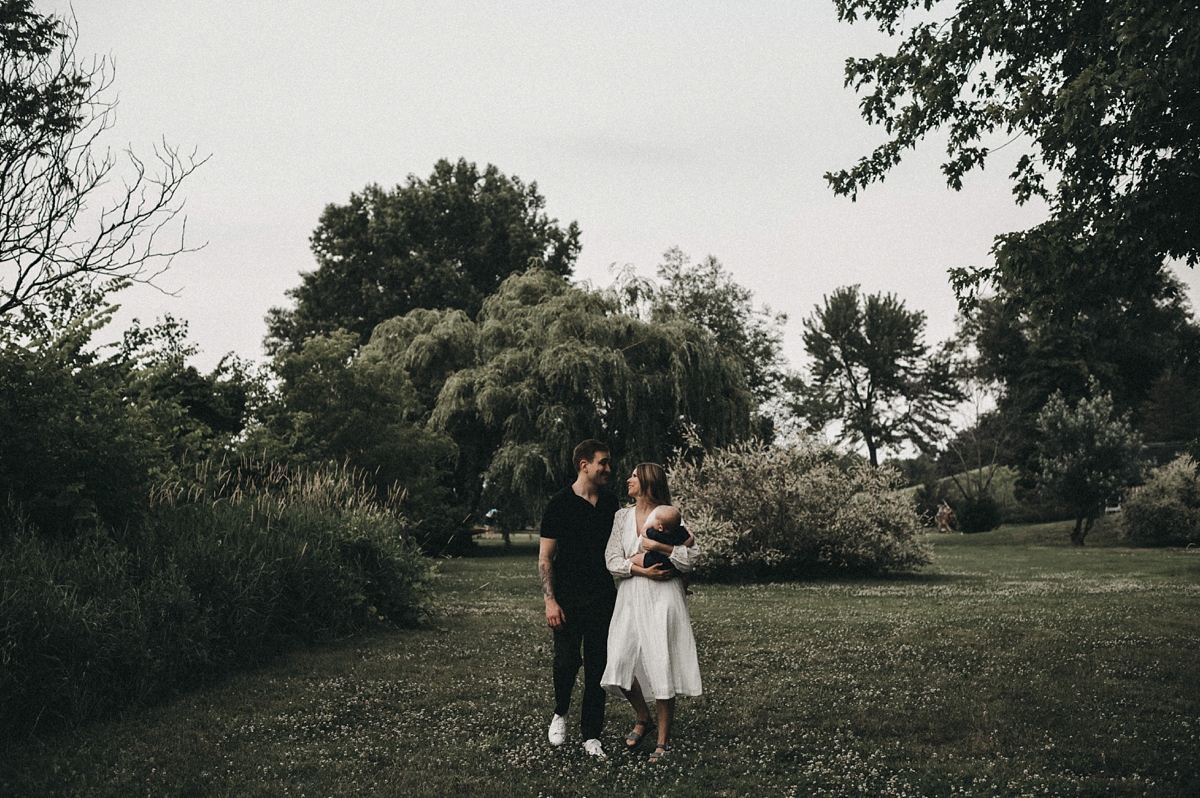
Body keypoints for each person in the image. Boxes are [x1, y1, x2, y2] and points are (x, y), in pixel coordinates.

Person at [600, 462, 702, 762]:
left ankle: (663, 740)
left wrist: (661, 547)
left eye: (634, 475)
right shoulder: (622, 516)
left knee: (661, 662)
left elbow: (692, 555)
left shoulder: (669, 515)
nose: (628, 479)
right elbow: (611, 559)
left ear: (648, 482)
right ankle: (642, 716)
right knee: (619, 660)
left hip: (663, 598)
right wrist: (641, 571)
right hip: (631, 594)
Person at [539, 439, 619, 759]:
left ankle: (592, 734)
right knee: (566, 662)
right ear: (584, 465)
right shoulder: (558, 504)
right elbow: (546, 558)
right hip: (568, 597)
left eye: (609, 463)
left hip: (602, 595)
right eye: (603, 463)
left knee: (598, 666)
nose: (608, 469)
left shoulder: (611, 503)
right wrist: (550, 601)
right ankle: (561, 713)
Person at [628, 505, 694, 594]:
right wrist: (690, 532)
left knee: (637, 557)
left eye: (655, 519)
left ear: (660, 527)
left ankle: (630, 561)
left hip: (655, 560)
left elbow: (643, 532)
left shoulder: (655, 533)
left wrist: (650, 524)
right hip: (672, 564)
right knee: (685, 573)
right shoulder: (680, 532)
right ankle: (684, 589)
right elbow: (688, 543)